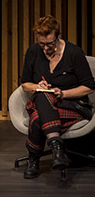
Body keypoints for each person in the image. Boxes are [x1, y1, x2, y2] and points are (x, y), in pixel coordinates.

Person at [20, 15, 95, 179]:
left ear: (58, 36)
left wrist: (63, 93)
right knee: (42, 95)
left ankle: (33, 159)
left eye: (49, 44)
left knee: (38, 119)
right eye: (42, 44)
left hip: (70, 104)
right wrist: (37, 87)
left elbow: (89, 86)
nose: (45, 48)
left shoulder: (74, 53)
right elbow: (25, 84)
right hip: (44, 104)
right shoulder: (33, 51)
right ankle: (57, 149)